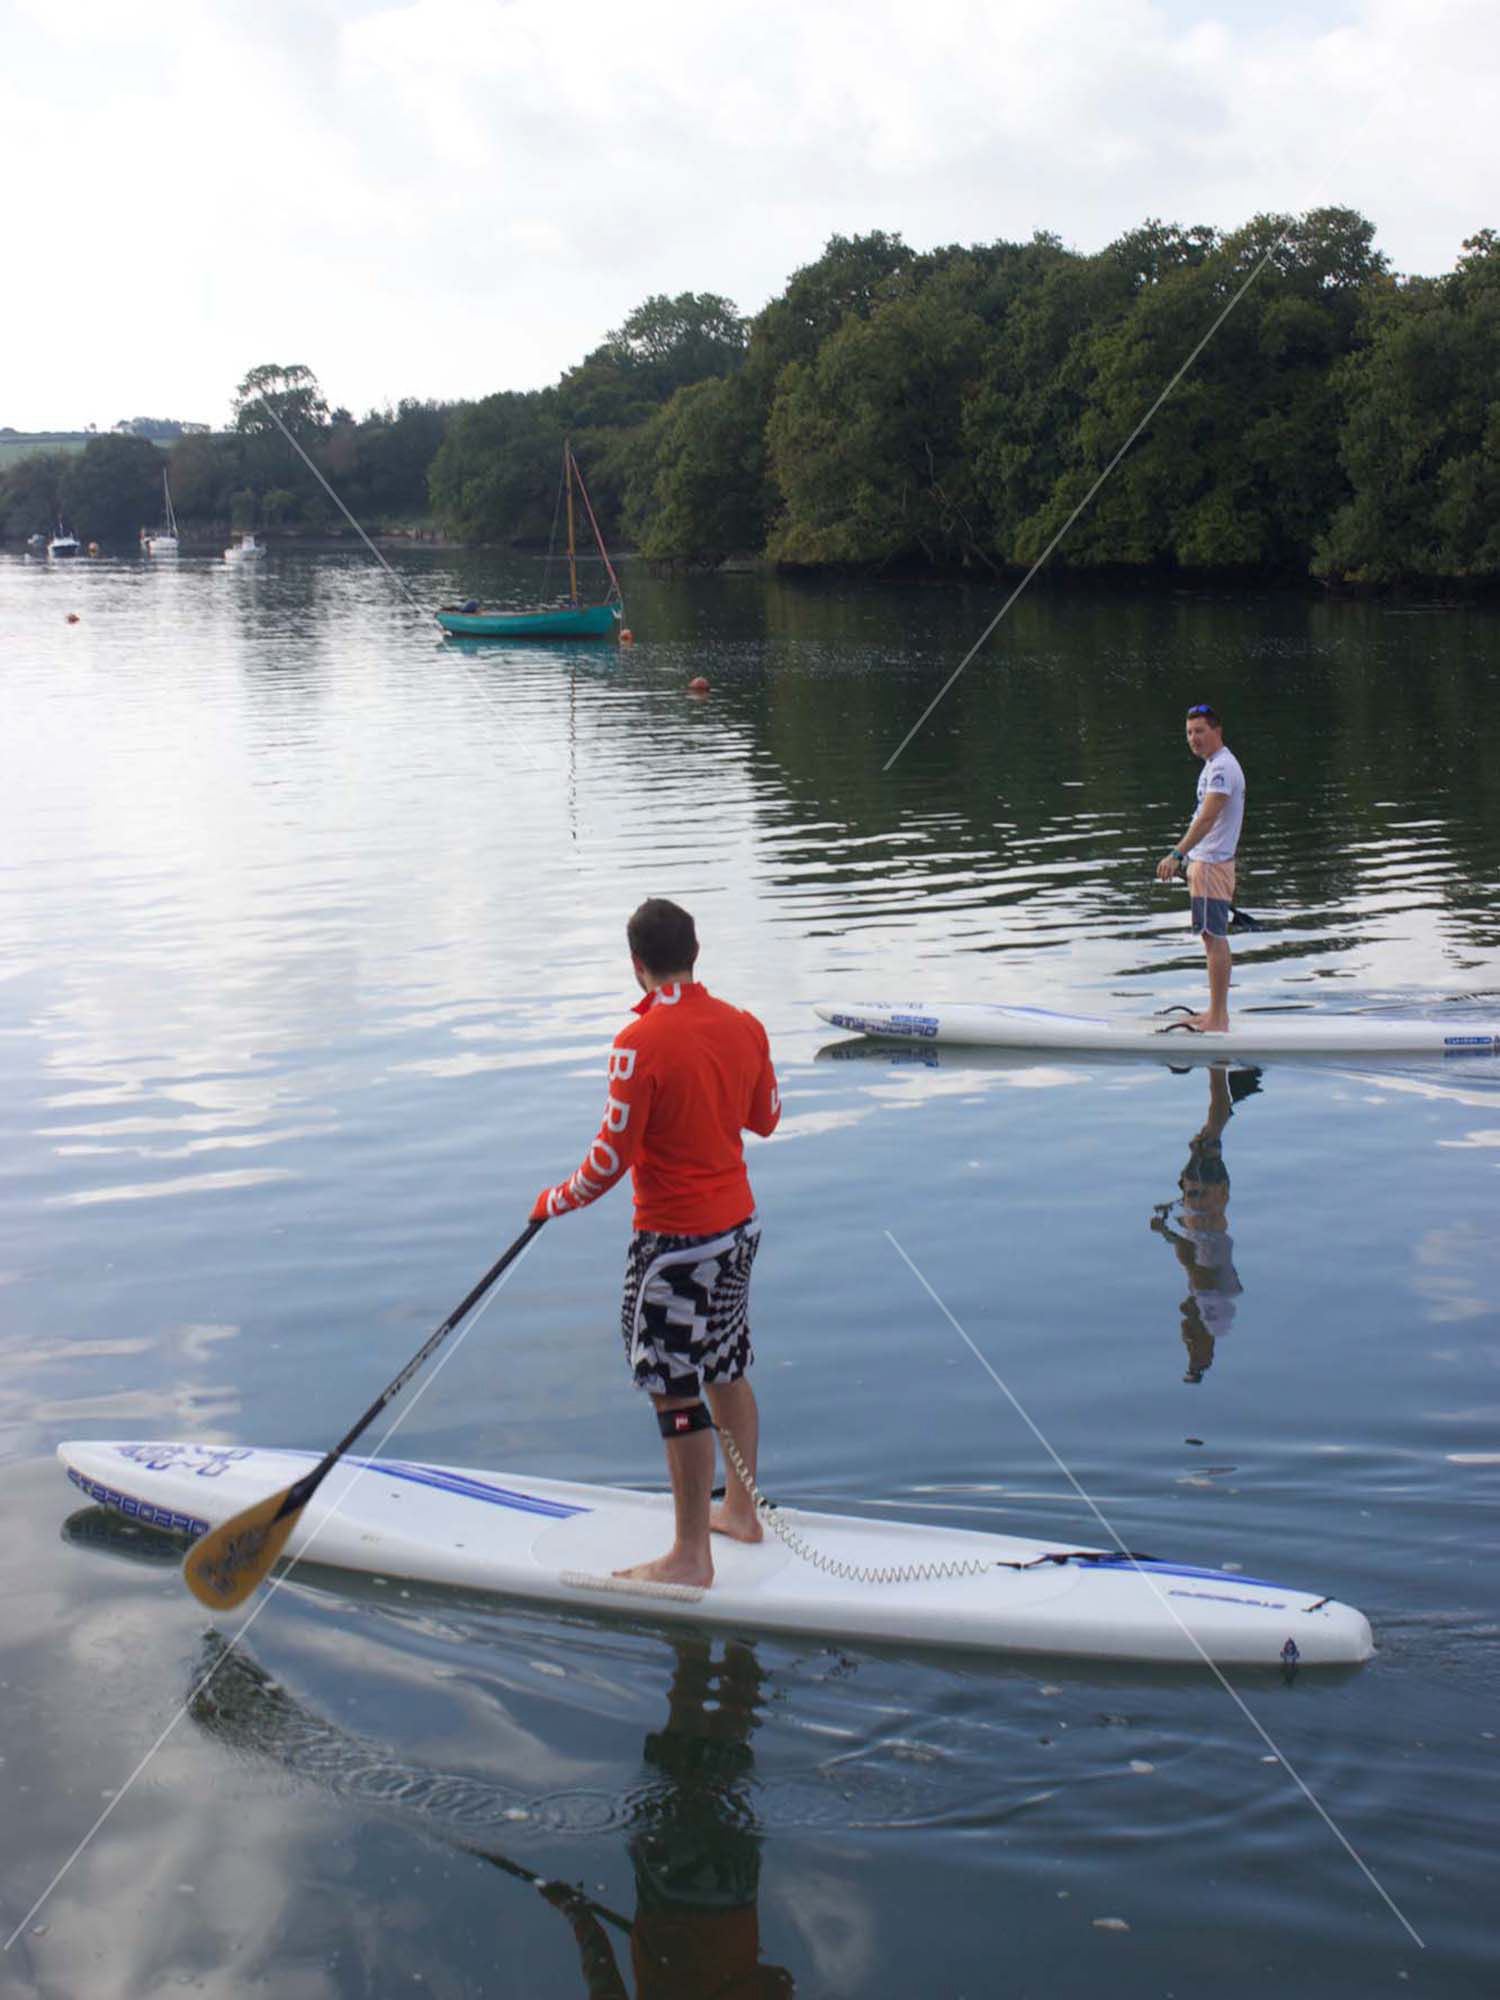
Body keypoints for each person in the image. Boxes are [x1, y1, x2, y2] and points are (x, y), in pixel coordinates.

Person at [531, 899, 781, 1588]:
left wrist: (553, 1202)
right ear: (696, 952)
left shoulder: (637, 1044)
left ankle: (690, 1558)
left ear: (635, 965)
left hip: (675, 1245)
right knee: (725, 1366)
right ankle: (741, 1513)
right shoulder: (745, 1025)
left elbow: (609, 1161)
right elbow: (766, 1119)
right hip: (738, 1231)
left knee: (673, 1389)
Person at [1154, 702, 1246, 1032]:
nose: (1194, 738)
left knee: (1213, 938)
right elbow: (1204, 818)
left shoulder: (1221, 769)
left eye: (1200, 731)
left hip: (1212, 868)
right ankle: (1215, 1012)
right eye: (1190, 732)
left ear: (1216, 731)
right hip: (1206, 865)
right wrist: (1187, 862)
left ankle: (1218, 1019)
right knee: (1213, 938)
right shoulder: (1213, 766)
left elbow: (1207, 819)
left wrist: (1176, 855)